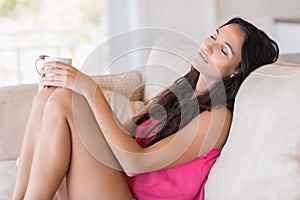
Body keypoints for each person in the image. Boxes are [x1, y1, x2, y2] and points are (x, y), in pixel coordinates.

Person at [12, 17, 279, 200]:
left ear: (236, 73)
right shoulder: (177, 92)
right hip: (112, 187)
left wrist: (88, 89)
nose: (208, 46)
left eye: (223, 50)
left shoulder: (216, 119)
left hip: (129, 195)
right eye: (213, 35)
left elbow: (134, 163)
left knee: (65, 101)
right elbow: (120, 138)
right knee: (48, 98)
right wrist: (60, 86)